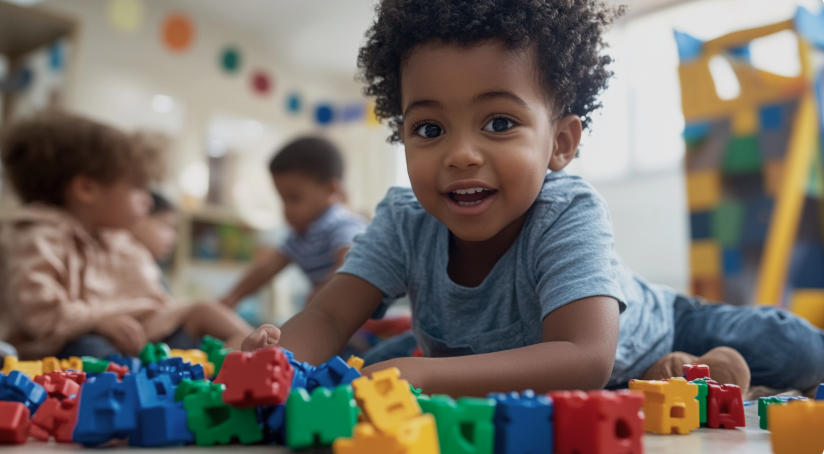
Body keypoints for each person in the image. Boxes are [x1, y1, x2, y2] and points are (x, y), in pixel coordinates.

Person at [241, 0, 824, 398]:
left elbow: (584, 356)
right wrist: (276, 363)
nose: (461, 154)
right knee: (366, 366)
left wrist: (421, 376)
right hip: (483, 356)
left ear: (561, 143)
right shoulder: (403, 217)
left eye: (498, 122)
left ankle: (691, 365)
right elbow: (326, 314)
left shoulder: (567, 210)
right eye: (429, 129)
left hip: (657, 326)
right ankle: (665, 380)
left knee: (798, 352)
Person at [0, 113, 254, 360]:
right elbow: (37, 307)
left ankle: (250, 344)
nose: (147, 200)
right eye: (137, 188)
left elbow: (154, 304)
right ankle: (128, 386)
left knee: (203, 310)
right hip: (66, 345)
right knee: (90, 347)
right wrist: (97, 321)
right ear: (86, 189)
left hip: (136, 339)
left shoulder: (118, 240)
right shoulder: (37, 234)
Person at [220, 137, 367, 309]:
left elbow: (350, 265)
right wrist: (232, 298)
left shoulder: (342, 224)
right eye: (282, 200)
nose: (286, 210)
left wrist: (319, 295)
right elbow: (266, 268)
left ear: (330, 191)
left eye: (294, 199)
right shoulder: (301, 235)